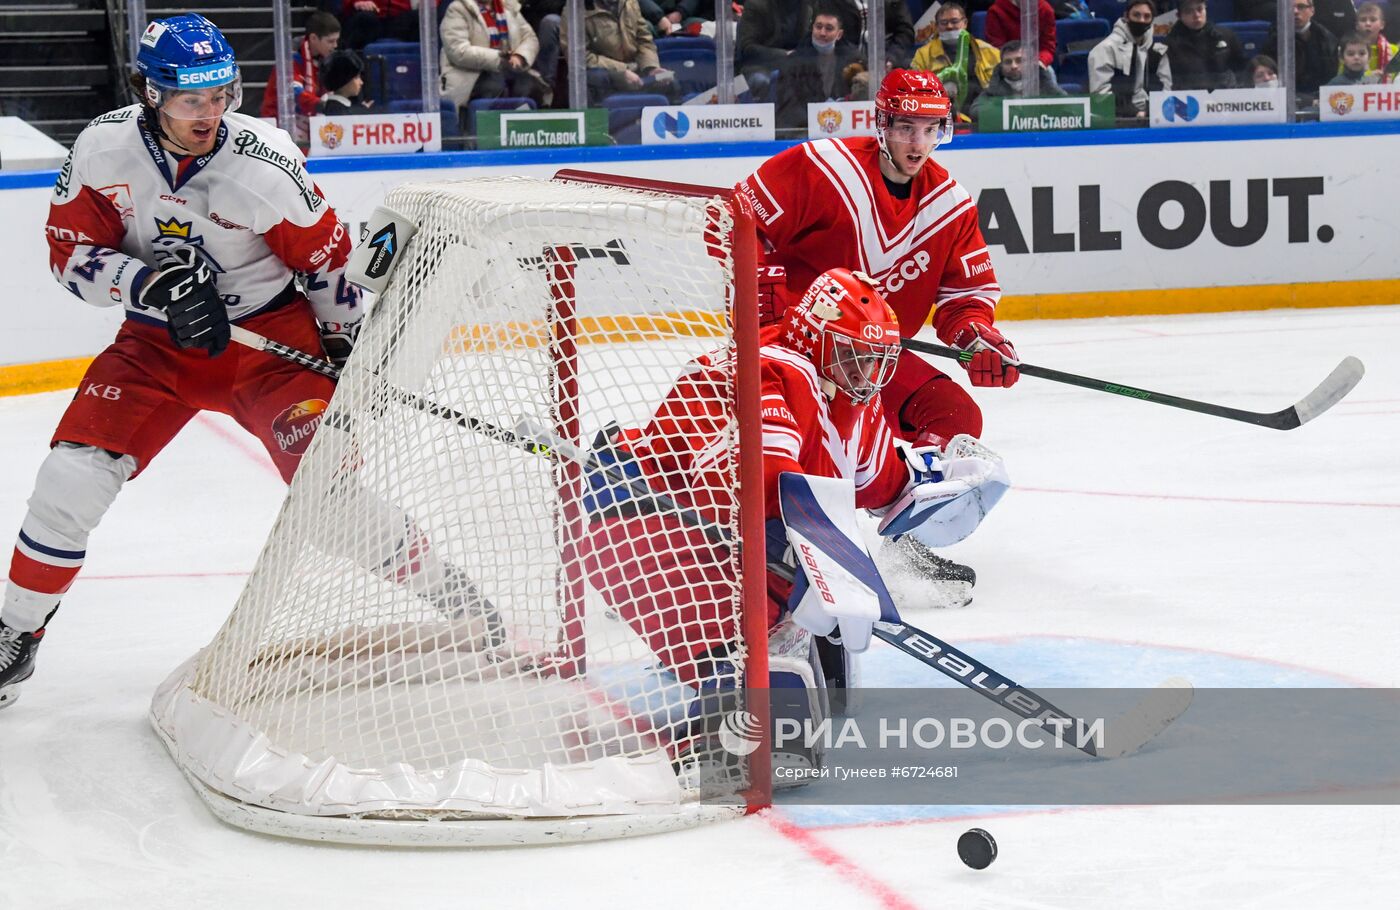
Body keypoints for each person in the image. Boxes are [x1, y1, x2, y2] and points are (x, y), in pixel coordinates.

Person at [0, 15, 490, 709]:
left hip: (271, 352)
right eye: (189, 99)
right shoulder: (102, 148)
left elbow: (327, 267)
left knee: (330, 502)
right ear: (150, 93)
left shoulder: (266, 164)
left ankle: (449, 590)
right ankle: (15, 636)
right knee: (67, 481)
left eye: (220, 94)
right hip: (153, 347)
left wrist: (352, 351)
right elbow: (68, 254)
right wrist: (146, 284)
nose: (209, 114)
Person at [572, 268, 1007, 759]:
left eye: (876, 362)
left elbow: (880, 484)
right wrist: (821, 566)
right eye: (853, 357)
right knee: (763, 644)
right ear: (811, 336)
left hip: (715, 525)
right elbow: (759, 486)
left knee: (804, 594)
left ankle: (782, 666)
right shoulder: (768, 369)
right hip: (640, 521)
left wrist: (946, 483)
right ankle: (729, 715)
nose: (865, 376)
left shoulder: (846, 390)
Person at [736, 69, 1020, 598]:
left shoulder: (950, 205)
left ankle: (901, 539)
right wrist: (763, 289)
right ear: (882, 123)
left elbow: (963, 298)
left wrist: (976, 335)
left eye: (932, 129)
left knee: (954, 415)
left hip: (872, 359)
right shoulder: (825, 167)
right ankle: (756, 545)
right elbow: (732, 223)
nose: (919, 143)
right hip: (798, 351)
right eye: (907, 127)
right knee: (793, 451)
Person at [439, 0, 548, 116]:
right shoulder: (458, 9)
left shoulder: (508, 6)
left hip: (509, 69)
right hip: (472, 75)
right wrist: (499, 59)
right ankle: (485, 129)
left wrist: (519, 56)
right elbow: (458, 51)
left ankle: (518, 128)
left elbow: (530, 38)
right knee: (495, 83)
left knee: (530, 86)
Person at [563, 0, 680, 104]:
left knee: (670, 79)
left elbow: (644, 40)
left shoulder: (630, 3)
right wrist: (621, 71)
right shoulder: (574, 11)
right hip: (606, 77)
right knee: (589, 79)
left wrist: (651, 68)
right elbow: (579, 57)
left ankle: (673, 127)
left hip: (639, 73)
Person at [910, 2, 1002, 118]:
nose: (949, 26)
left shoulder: (988, 51)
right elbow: (916, 91)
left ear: (965, 23)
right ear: (937, 27)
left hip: (983, 111)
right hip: (943, 114)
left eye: (954, 21)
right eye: (944, 23)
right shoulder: (923, 55)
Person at [775, 9, 861, 129]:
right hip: (804, 128)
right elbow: (788, 104)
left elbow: (859, 99)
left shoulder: (854, 60)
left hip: (846, 127)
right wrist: (815, 120)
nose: (822, 33)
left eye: (829, 28)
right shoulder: (794, 61)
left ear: (839, 34)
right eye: (818, 27)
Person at [259, 10, 341, 136]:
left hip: (303, 121)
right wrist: (322, 105)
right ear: (313, 38)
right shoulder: (290, 57)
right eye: (330, 41)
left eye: (336, 41)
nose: (335, 45)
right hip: (277, 121)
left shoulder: (324, 59)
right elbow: (293, 92)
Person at [1090, 0, 1171, 119]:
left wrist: (1150, 112)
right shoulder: (1105, 50)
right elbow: (1101, 96)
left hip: (1155, 117)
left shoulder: (1158, 51)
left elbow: (1167, 88)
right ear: (1126, 16)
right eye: (1136, 15)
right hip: (1118, 120)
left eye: (1147, 16)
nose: (1142, 20)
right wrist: (1134, 113)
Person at [969, 38, 1067, 120]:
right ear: (1001, 66)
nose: (1014, 66)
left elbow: (1071, 106)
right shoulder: (992, 91)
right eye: (1008, 62)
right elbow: (975, 111)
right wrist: (1013, 115)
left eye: (1019, 60)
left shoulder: (1047, 87)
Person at [1165, 0, 1247, 90]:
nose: (1196, 15)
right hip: (1189, 98)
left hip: (1224, 97)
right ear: (1179, 16)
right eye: (1188, 11)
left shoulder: (1226, 36)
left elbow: (1242, 70)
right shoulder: (1170, 45)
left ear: (1206, 9)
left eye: (1200, 9)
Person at [1267, 0, 1337, 98]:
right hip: (1285, 98)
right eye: (1290, 8)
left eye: (1300, 7)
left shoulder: (1326, 38)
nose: (1295, 11)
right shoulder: (1275, 38)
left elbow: (1331, 74)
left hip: (1321, 97)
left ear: (1312, 10)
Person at [985, 0, 1057, 68]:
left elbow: (1048, 47)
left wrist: (1041, 61)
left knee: (1048, 73)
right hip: (1007, 63)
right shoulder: (996, 11)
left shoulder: (1045, 10)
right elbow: (996, 48)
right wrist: (1016, 62)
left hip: (1035, 62)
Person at [339, 0, 419, 50]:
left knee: (420, 18)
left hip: (400, 18)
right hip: (369, 15)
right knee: (366, 19)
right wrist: (358, 2)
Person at [318, 49, 375, 113]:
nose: (361, 82)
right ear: (344, 81)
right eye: (357, 77)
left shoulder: (332, 106)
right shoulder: (337, 111)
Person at [1354, 3, 1396, 81]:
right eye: (1363, 20)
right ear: (1357, 25)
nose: (1368, 23)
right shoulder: (1350, 50)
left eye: (1373, 20)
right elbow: (1342, 79)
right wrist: (1368, 76)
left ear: (1382, 25)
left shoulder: (1394, 50)